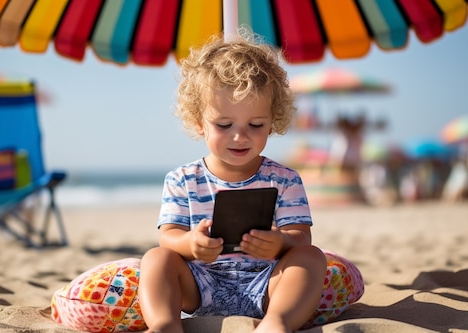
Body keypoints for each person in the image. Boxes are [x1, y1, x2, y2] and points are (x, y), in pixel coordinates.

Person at [138, 33, 328, 333]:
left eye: (256, 125)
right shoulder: (182, 179)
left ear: (273, 120)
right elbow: (169, 236)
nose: (240, 136)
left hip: (267, 283)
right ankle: (164, 325)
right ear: (199, 121)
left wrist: (282, 242)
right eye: (224, 125)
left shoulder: (285, 179)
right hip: (200, 283)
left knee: (311, 258)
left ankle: (276, 323)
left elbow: (301, 238)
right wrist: (191, 244)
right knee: (156, 258)